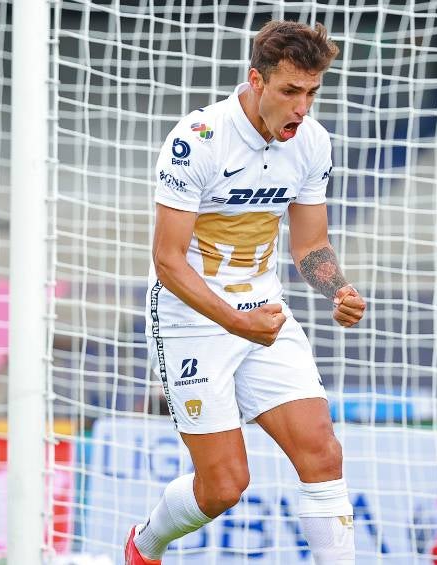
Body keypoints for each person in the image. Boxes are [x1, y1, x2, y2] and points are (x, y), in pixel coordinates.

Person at [126, 19, 366, 565]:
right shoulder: (198, 140)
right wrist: (234, 323)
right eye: (289, 92)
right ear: (256, 81)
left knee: (323, 455)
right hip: (191, 319)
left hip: (263, 315)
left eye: (311, 92)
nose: (302, 108)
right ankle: (143, 547)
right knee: (224, 486)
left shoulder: (312, 142)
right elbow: (166, 260)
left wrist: (338, 288)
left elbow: (311, 246)